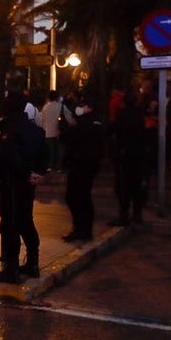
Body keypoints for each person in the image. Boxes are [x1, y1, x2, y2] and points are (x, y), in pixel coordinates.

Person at [0, 98, 48, 283]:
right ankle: (32, 262)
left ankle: (12, 268)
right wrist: (37, 173)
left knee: (9, 224)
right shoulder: (36, 130)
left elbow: (10, 159)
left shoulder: (10, 130)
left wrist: (24, 173)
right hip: (27, 184)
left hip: (11, 183)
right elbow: (45, 155)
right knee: (26, 221)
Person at [60, 97, 103, 242]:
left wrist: (68, 125)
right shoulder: (98, 122)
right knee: (84, 196)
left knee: (74, 196)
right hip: (92, 163)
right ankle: (85, 230)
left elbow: (67, 137)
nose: (80, 108)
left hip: (81, 163)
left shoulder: (84, 122)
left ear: (89, 107)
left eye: (82, 106)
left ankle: (80, 228)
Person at [108, 89, 148, 226]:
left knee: (123, 186)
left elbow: (114, 129)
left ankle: (124, 215)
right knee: (136, 185)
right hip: (138, 154)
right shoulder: (139, 114)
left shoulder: (122, 114)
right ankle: (137, 214)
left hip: (125, 154)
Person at [40, 90, 64, 171]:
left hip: (47, 132)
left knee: (50, 150)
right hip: (58, 131)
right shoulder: (61, 106)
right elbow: (69, 118)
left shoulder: (45, 107)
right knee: (59, 149)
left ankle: (50, 166)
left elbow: (41, 120)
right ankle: (59, 167)